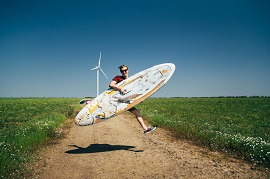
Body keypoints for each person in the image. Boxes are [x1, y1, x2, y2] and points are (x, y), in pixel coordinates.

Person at [109, 64, 156, 134]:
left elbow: (132, 92)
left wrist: (139, 99)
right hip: (119, 101)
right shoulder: (118, 78)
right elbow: (111, 85)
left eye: (125, 70)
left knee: (136, 112)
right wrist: (120, 88)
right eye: (122, 71)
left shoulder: (131, 80)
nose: (124, 72)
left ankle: (145, 129)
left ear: (128, 70)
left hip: (127, 101)